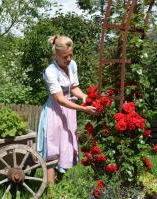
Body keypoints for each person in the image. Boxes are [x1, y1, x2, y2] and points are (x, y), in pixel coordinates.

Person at [37, 35, 97, 186]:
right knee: (53, 149)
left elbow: (73, 87)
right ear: (55, 55)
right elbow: (59, 99)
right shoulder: (50, 71)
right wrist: (83, 109)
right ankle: (50, 190)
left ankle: (59, 184)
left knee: (66, 146)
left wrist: (84, 97)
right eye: (65, 56)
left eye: (71, 55)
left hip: (69, 112)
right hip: (54, 113)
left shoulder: (72, 65)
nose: (69, 58)